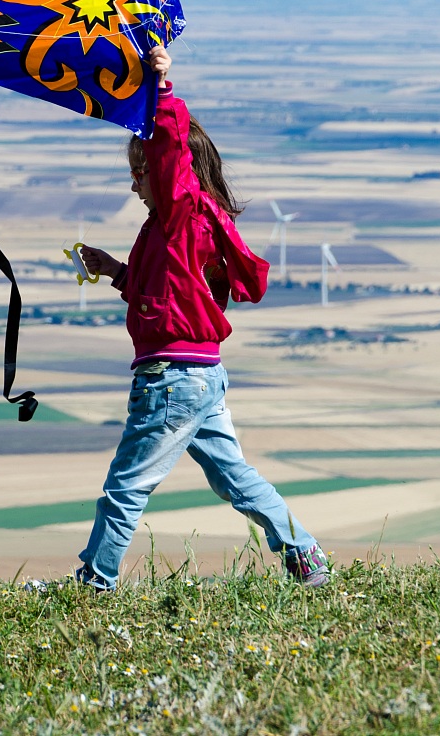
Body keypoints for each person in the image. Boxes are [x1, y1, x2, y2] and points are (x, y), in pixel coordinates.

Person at [76, 43, 330, 590]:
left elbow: (169, 149)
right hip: (200, 376)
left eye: (140, 172)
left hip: (171, 380)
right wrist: (117, 271)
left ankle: (94, 583)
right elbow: (172, 297)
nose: (134, 183)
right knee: (236, 478)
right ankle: (304, 554)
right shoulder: (178, 227)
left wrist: (160, 89)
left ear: (167, 171)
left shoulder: (177, 212)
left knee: (126, 484)